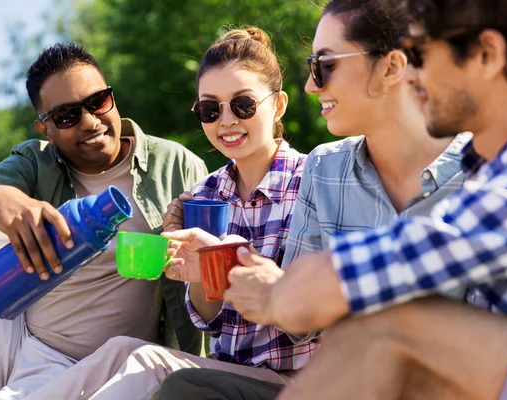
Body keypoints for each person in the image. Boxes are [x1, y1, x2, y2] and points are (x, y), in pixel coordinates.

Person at [156, 0, 473, 398]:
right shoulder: (326, 167)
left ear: (392, 66)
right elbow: (296, 319)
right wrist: (218, 265)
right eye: (208, 109)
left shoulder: (482, 175)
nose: (311, 85)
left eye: (326, 65)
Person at [23, 26, 311, 400]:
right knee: (123, 350)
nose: (225, 121)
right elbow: (213, 321)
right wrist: (196, 272)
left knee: (168, 377)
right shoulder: (204, 193)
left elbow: (313, 318)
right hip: (232, 373)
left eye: (243, 104)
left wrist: (231, 265)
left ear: (279, 105)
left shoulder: (313, 182)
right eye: (210, 109)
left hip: (302, 380)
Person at [0, 43, 207, 399]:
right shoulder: (36, 162)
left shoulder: (176, 165)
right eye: (67, 115)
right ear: (45, 128)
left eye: (97, 101)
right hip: (9, 334)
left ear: (111, 97)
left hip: (98, 367)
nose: (90, 121)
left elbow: (207, 273)